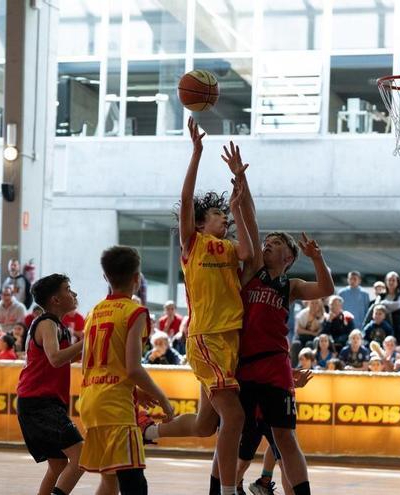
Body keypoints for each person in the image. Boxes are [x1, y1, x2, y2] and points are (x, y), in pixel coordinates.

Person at [161, 118, 252, 495]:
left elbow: (249, 252)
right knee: (235, 416)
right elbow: (185, 201)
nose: (225, 219)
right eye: (219, 215)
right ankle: (227, 491)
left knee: (205, 426)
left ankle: (147, 431)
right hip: (206, 339)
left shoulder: (230, 249)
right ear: (201, 222)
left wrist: (240, 196)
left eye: (225, 216)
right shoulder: (192, 244)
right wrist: (196, 153)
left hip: (229, 340)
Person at [228, 223, 333, 495]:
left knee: (285, 438)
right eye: (266, 241)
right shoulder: (249, 273)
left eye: (275, 243)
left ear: (288, 257)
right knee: (236, 437)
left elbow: (326, 288)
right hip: (244, 365)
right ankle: (230, 487)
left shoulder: (291, 285)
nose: (267, 244)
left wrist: (317, 258)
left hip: (275, 367)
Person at [77, 246, 174, 494]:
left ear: (105, 277)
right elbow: (133, 368)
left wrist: (135, 393)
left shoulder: (93, 312)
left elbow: (97, 363)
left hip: (90, 403)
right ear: (137, 278)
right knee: (134, 483)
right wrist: (163, 398)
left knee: (110, 481)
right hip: (115, 409)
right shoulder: (135, 312)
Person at [16, 273, 86, 495]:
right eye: (68, 289)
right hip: (39, 403)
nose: (73, 293)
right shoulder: (47, 323)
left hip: (41, 403)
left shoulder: (57, 325)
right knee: (81, 455)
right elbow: (56, 358)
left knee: (58, 465)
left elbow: (67, 357)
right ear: (55, 299)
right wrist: (89, 340)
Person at [291, 298, 325, 364]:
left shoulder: (323, 315)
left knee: (309, 344)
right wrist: (312, 333)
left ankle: (309, 365)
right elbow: (298, 330)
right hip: (302, 337)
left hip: (314, 339)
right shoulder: (302, 314)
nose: (314, 305)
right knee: (296, 344)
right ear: (309, 303)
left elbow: (319, 331)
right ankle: (295, 366)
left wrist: (315, 318)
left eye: (316, 303)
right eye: (312, 303)